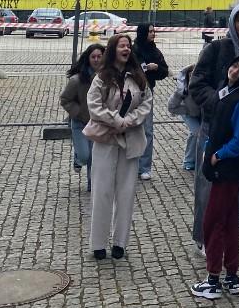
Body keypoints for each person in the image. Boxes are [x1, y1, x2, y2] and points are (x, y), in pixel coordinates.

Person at [189, 4, 239, 250]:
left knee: (236, 188)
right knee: (207, 185)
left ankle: (231, 239)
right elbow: (197, 83)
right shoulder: (216, 48)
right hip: (213, 126)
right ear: (232, 21)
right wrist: (219, 103)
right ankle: (204, 238)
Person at [190, 53, 239, 300]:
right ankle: (231, 276)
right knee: (229, 222)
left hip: (227, 169)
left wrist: (218, 155)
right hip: (223, 165)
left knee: (213, 221)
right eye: (234, 65)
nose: (235, 70)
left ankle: (213, 280)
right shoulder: (225, 91)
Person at [84, 33, 152, 260]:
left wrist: (129, 121)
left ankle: (120, 243)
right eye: (122, 45)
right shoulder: (101, 78)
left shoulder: (138, 77)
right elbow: (94, 106)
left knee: (126, 193)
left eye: (128, 46)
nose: (126, 49)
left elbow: (146, 103)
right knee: (102, 192)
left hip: (130, 140)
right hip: (106, 139)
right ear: (113, 49)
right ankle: (98, 244)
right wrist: (116, 121)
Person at [60, 42, 105, 191]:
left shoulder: (107, 77)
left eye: (99, 56)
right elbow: (65, 99)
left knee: (94, 156)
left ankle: (93, 185)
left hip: (98, 123)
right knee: (85, 156)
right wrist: (78, 112)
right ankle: (78, 157)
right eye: (93, 57)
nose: (96, 59)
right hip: (80, 122)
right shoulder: (77, 80)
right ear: (88, 58)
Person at [132, 22, 169, 181]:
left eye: (154, 31)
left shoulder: (155, 51)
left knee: (147, 129)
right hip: (131, 92)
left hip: (147, 92)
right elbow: (133, 69)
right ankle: (131, 164)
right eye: (150, 31)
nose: (153, 34)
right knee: (132, 128)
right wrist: (148, 68)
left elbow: (164, 70)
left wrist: (156, 69)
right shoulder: (134, 50)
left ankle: (144, 167)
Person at [167, 63, 202, 171]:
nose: (193, 77)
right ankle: (189, 161)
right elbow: (171, 107)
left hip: (202, 113)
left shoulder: (204, 85)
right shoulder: (182, 89)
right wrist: (186, 110)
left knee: (196, 133)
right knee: (197, 132)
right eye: (191, 75)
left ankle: (194, 160)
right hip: (188, 112)